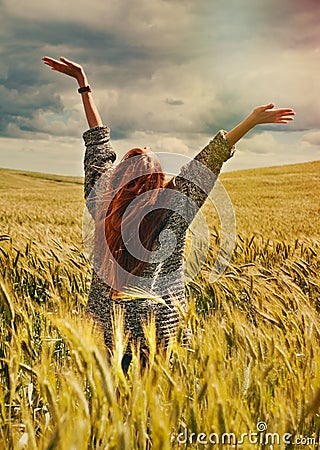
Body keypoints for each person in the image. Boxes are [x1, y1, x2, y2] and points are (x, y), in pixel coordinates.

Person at [42, 56, 295, 373]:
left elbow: (98, 145)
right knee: (159, 402)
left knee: (107, 402)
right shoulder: (172, 209)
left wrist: (83, 84)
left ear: (119, 177)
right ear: (157, 178)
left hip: (107, 320)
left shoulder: (102, 202)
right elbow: (207, 162)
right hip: (161, 322)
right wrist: (250, 122)